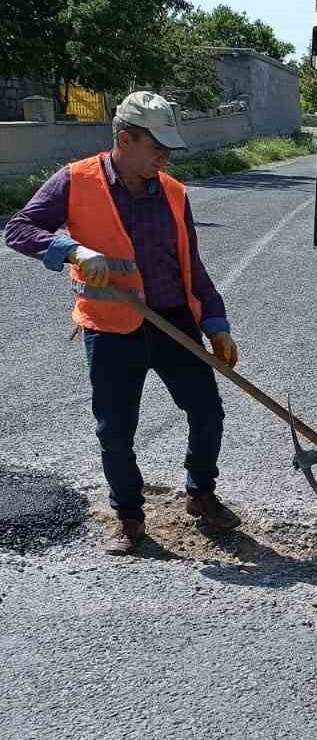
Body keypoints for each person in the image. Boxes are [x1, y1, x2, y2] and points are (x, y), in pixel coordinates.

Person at [3, 91, 241, 554]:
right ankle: (129, 517)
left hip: (173, 321)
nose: (165, 157)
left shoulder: (174, 192)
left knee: (207, 411)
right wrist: (70, 250)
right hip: (111, 327)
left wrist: (216, 323)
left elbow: (192, 266)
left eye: (169, 148)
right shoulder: (75, 181)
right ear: (125, 138)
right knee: (115, 431)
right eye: (157, 146)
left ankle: (201, 494)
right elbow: (18, 229)